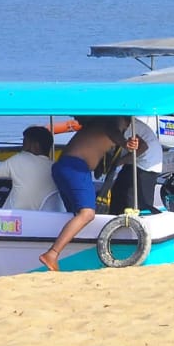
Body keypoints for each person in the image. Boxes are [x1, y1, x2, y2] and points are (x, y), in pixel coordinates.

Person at [39, 115, 131, 271]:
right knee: (87, 214)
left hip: (64, 166)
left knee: (76, 215)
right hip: (75, 167)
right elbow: (114, 132)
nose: (128, 125)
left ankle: (68, 251)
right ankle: (52, 254)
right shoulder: (108, 125)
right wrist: (125, 143)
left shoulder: (96, 128)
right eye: (127, 122)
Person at [106, 115, 162, 213]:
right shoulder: (126, 124)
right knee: (121, 191)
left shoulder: (128, 126)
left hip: (146, 163)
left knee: (131, 199)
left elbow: (143, 147)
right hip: (147, 162)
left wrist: (119, 162)